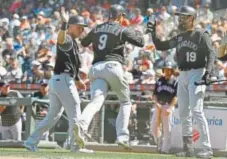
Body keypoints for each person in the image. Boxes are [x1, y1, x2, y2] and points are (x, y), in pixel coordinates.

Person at [147, 5, 215, 158]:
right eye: (179, 16)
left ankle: (207, 149)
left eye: (183, 16)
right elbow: (160, 46)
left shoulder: (201, 34)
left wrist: (209, 73)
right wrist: (153, 32)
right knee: (184, 112)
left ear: (191, 18)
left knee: (196, 110)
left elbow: (211, 54)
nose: (179, 19)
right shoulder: (180, 36)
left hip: (198, 72)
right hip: (182, 74)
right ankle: (188, 149)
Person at [24, 7, 92, 153]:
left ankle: (31, 142)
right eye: (79, 27)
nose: (82, 30)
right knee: (75, 113)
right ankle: (75, 146)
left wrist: (78, 79)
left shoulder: (73, 42)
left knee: (52, 116)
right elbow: (60, 40)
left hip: (59, 81)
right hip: (63, 80)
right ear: (71, 27)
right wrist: (63, 24)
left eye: (83, 27)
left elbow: (71, 65)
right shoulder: (67, 37)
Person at [78, 4, 145, 149]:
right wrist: (138, 31)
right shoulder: (121, 29)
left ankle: (80, 126)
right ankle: (122, 137)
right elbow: (141, 42)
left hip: (96, 68)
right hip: (112, 66)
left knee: (95, 102)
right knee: (125, 102)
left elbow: (83, 43)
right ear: (120, 16)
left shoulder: (97, 28)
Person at [151, 61, 177, 154]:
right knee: (154, 128)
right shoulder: (159, 80)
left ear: (172, 70)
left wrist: (170, 107)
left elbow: (176, 96)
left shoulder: (175, 81)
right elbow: (154, 94)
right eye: (166, 69)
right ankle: (159, 142)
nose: (167, 71)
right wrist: (156, 103)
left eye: (169, 69)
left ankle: (165, 149)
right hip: (158, 105)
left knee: (167, 129)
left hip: (167, 106)